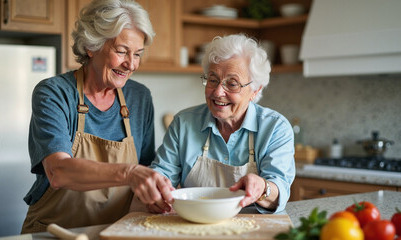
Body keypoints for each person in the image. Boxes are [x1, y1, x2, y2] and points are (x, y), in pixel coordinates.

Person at [21, 0, 173, 233]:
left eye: (137, 54)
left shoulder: (139, 98)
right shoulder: (54, 93)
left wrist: (155, 195)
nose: (130, 64)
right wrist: (129, 173)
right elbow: (58, 171)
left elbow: (145, 169)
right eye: (121, 51)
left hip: (115, 233)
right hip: (54, 232)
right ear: (92, 46)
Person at [149, 34, 295, 213]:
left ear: (255, 90)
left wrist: (263, 188)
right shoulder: (184, 123)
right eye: (213, 80)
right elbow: (162, 175)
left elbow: (279, 190)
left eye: (232, 84)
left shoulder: (275, 128)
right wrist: (155, 189)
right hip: (197, 226)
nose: (218, 92)